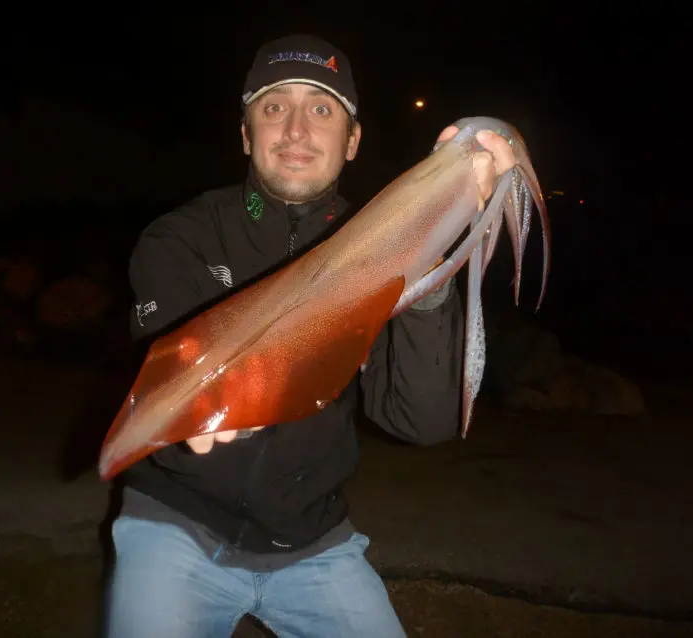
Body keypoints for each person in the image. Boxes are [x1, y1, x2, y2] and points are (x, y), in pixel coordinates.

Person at [104, 33, 514, 638]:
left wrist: (429, 263)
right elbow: (171, 393)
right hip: (176, 526)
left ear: (352, 141)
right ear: (246, 134)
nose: (295, 129)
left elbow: (418, 422)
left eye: (321, 109)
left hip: (314, 543)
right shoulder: (180, 238)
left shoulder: (385, 249)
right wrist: (195, 407)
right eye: (273, 108)